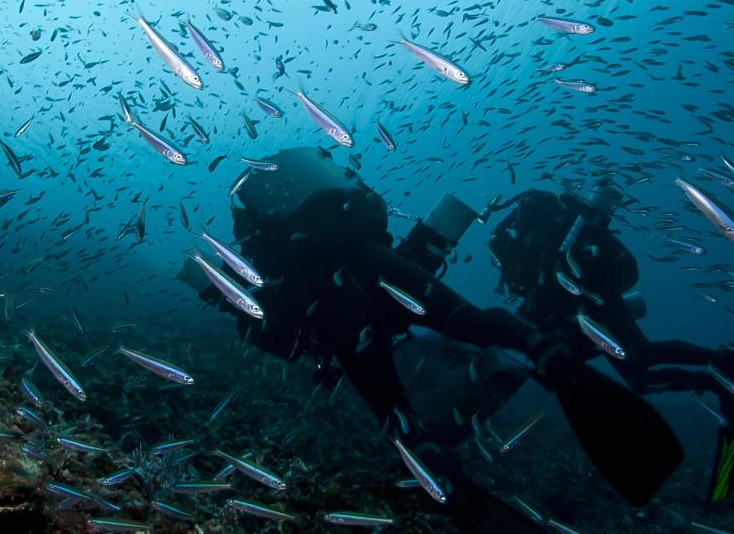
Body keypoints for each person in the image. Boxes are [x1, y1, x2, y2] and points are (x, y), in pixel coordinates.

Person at [189, 147, 683, 527]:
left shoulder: (279, 255)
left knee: (395, 414)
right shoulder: (345, 226)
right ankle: (546, 354)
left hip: (333, 310)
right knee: (469, 318)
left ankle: (440, 474)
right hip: (385, 266)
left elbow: (279, 332)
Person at [486, 186, 734, 503]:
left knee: (643, 361)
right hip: (580, 321)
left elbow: (548, 280)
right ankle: (718, 375)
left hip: (595, 310)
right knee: (642, 374)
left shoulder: (542, 242)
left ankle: (727, 363)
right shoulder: (536, 247)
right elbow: (536, 292)